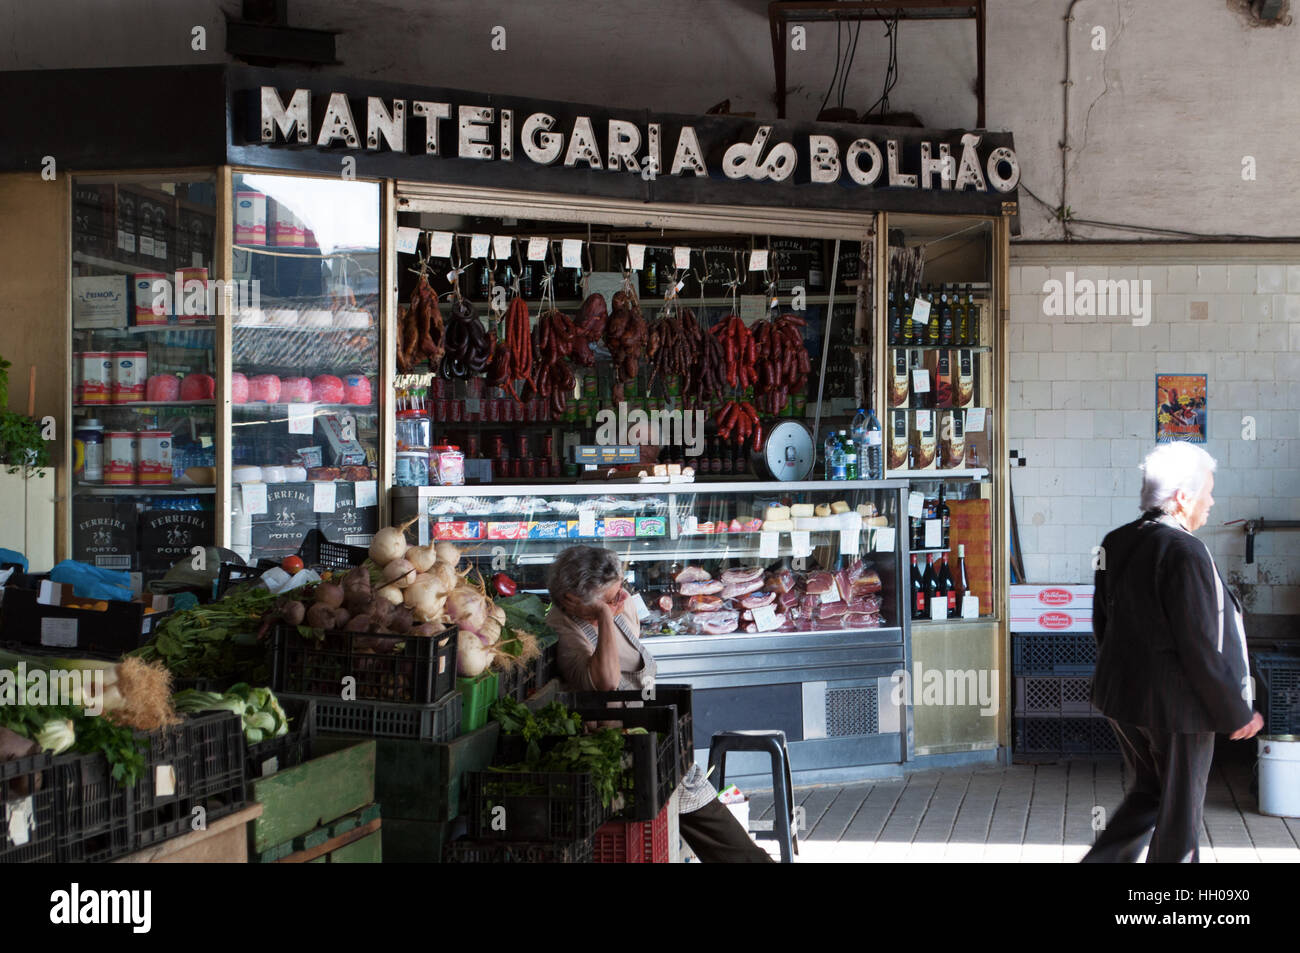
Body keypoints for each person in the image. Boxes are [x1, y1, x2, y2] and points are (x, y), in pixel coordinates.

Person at [1083, 442, 1263, 864]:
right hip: (1178, 711)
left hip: (1124, 701)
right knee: (1180, 813)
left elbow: (1102, 624)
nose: (1212, 501)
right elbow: (1200, 646)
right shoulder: (1185, 551)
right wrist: (1236, 711)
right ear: (1183, 497)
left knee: (1151, 793)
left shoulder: (1119, 539)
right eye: (1209, 491)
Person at [547, 545, 774, 862]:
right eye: (610, 598)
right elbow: (607, 682)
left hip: (647, 734)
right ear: (579, 601)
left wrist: (607, 609)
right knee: (707, 818)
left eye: (621, 589)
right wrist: (602, 615)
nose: (622, 599)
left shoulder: (620, 608)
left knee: (704, 810)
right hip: (621, 747)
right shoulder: (564, 628)